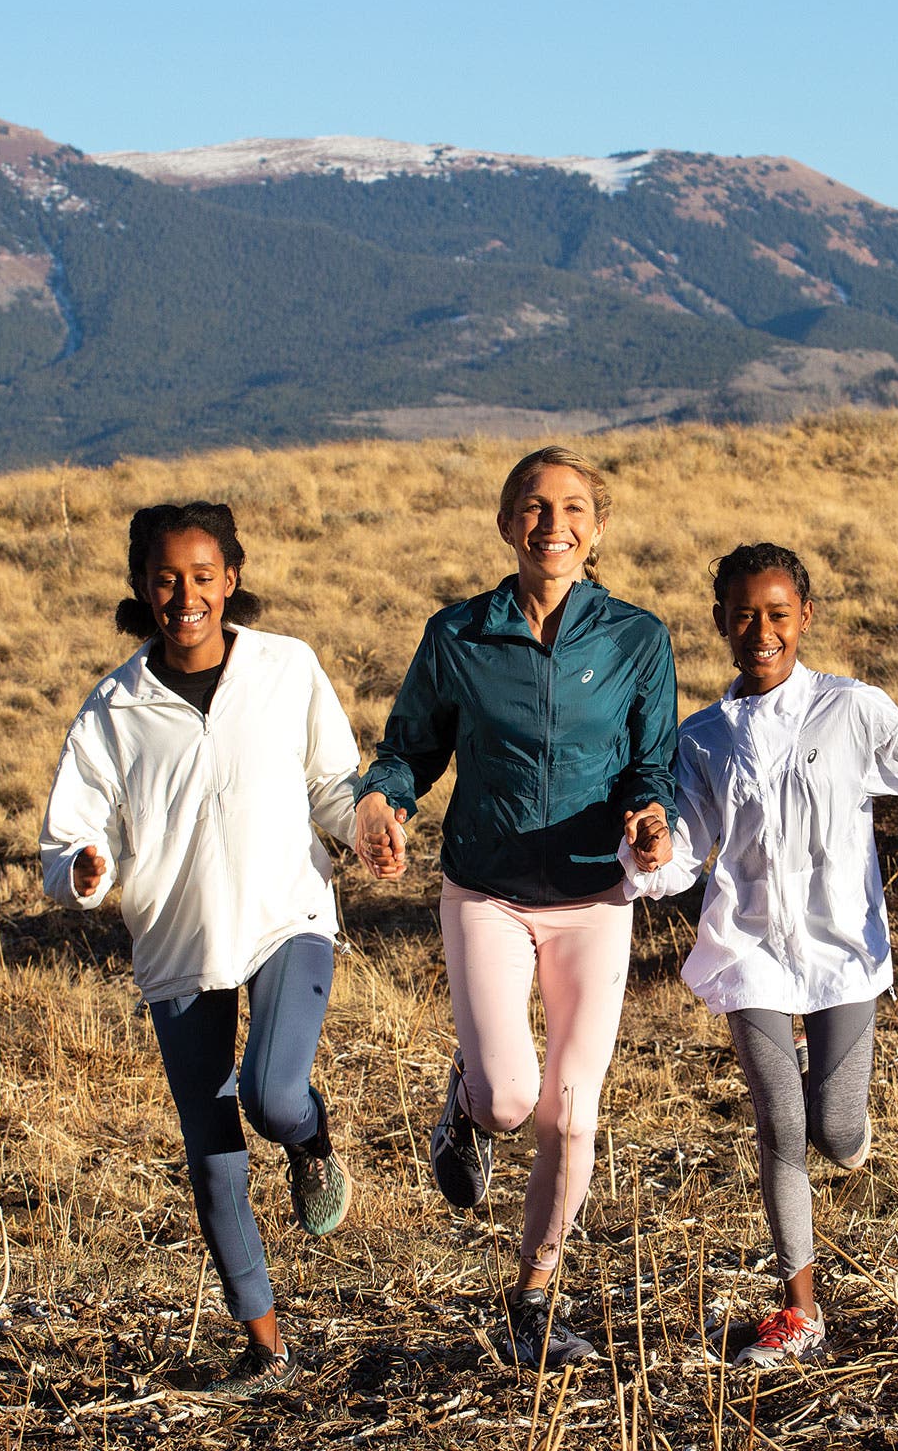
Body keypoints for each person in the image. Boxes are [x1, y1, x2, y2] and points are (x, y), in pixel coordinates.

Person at [353, 445, 676, 1369]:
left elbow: (650, 767)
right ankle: (463, 1100)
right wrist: (385, 800)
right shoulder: (457, 635)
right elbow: (409, 749)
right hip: (486, 892)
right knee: (508, 1101)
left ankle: (533, 1298)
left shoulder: (634, 639)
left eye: (573, 508)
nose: (553, 525)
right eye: (533, 507)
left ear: (598, 528)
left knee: (571, 1116)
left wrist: (651, 820)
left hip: (592, 895)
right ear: (505, 524)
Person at [624, 542, 898, 1368]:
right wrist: (649, 855)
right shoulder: (702, 737)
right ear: (718, 621)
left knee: (831, 1127)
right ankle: (799, 1310)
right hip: (746, 945)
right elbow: (689, 852)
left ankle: (847, 1132)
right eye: (743, 615)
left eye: (777, 614)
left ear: (804, 618)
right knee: (778, 1121)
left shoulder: (851, 709)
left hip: (842, 949)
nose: (760, 631)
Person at [40, 501, 361, 1399]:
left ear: (231, 578)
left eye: (202, 575)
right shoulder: (113, 709)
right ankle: (265, 1347)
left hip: (284, 915)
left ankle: (310, 1142)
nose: (185, 595)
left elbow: (332, 782)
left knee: (269, 1094)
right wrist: (84, 869)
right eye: (166, 578)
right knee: (211, 1153)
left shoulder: (285, 666)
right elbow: (65, 842)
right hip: (179, 942)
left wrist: (363, 818)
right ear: (143, 586)